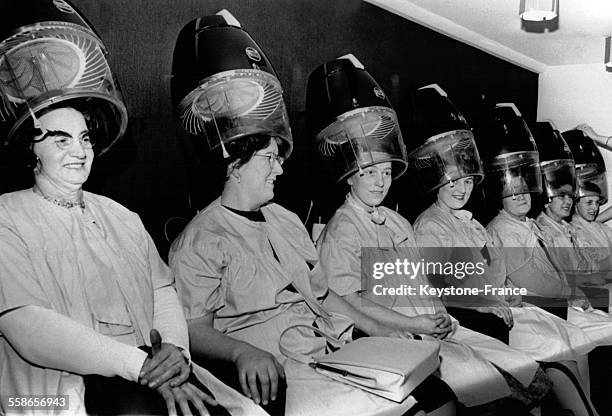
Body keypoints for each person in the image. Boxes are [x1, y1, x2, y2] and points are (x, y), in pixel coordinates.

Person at [0, 104, 265, 416]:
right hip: (43, 396)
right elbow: (30, 327)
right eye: (61, 140)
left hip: (150, 371)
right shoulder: (8, 217)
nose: (80, 151)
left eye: (85, 139)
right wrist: (141, 366)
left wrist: (173, 350)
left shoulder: (121, 216)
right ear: (31, 150)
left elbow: (161, 290)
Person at [309, 58, 539, 413]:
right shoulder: (343, 228)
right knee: (473, 389)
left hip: (431, 327)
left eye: (386, 172)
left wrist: (438, 314)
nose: (380, 182)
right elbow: (347, 300)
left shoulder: (398, 223)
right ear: (350, 175)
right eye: (369, 173)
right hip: (395, 335)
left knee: (512, 378)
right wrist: (414, 323)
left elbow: (425, 282)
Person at [170, 133, 457, 416]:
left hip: (328, 348)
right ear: (234, 166)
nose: (279, 168)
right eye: (270, 158)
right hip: (277, 364)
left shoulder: (285, 219)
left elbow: (322, 293)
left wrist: (376, 327)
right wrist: (240, 352)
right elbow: (193, 330)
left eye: (279, 159)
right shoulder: (200, 239)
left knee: (437, 395)